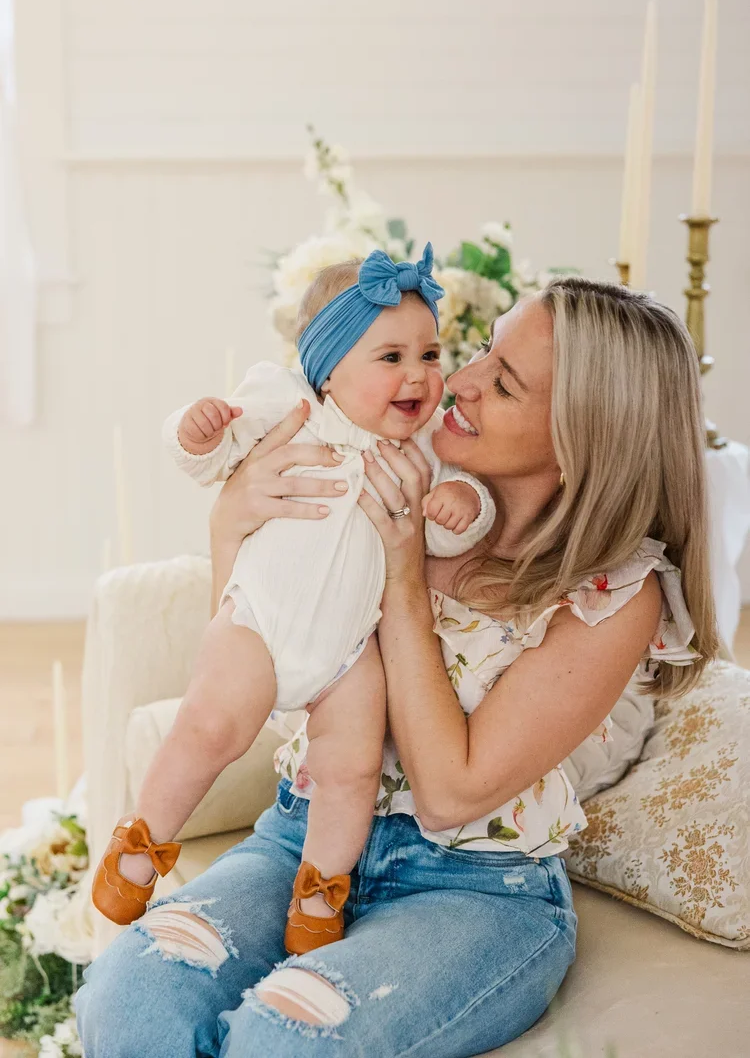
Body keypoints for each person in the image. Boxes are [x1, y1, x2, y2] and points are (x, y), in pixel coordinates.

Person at [77, 277, 717, 1057]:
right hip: (304, 839)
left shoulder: (618, 591)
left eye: (505, 382)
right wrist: (229, 527)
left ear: (584, 434)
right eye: (482, 349)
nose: (462, 379)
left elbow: (451, 791)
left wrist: (406, 575)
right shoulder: (391, 465)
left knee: (285, 1041)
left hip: (475, 891)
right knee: (127, 1001)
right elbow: (276, 676)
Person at [90, 244, 495, 955]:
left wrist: (465, 502)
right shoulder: (289, 404)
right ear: (329, 365)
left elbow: (453, 529)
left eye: (430, 356)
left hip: (347, 652)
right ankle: (143, 841)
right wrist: (197, 428)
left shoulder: (430, 448)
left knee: (352, 768)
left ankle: (319, 892)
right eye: (391, 357)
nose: (418, 376)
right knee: (212, 727)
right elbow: (208, 459)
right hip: (260, 622)